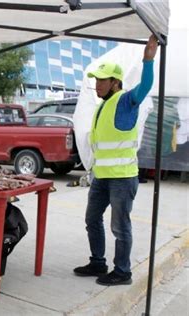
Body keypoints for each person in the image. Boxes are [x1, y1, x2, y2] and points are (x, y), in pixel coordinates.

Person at [73, 35, 158, 286]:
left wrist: (148, 61)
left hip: (122, 177)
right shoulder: (103, 106)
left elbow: (145, 87)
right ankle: (98, 262)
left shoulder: (125, 101)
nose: (97, 84)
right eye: (96, 80)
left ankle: (123, 272)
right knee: (92, 219)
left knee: (120, 228)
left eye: (102, 80)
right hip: (102, 176)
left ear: (115, 82)